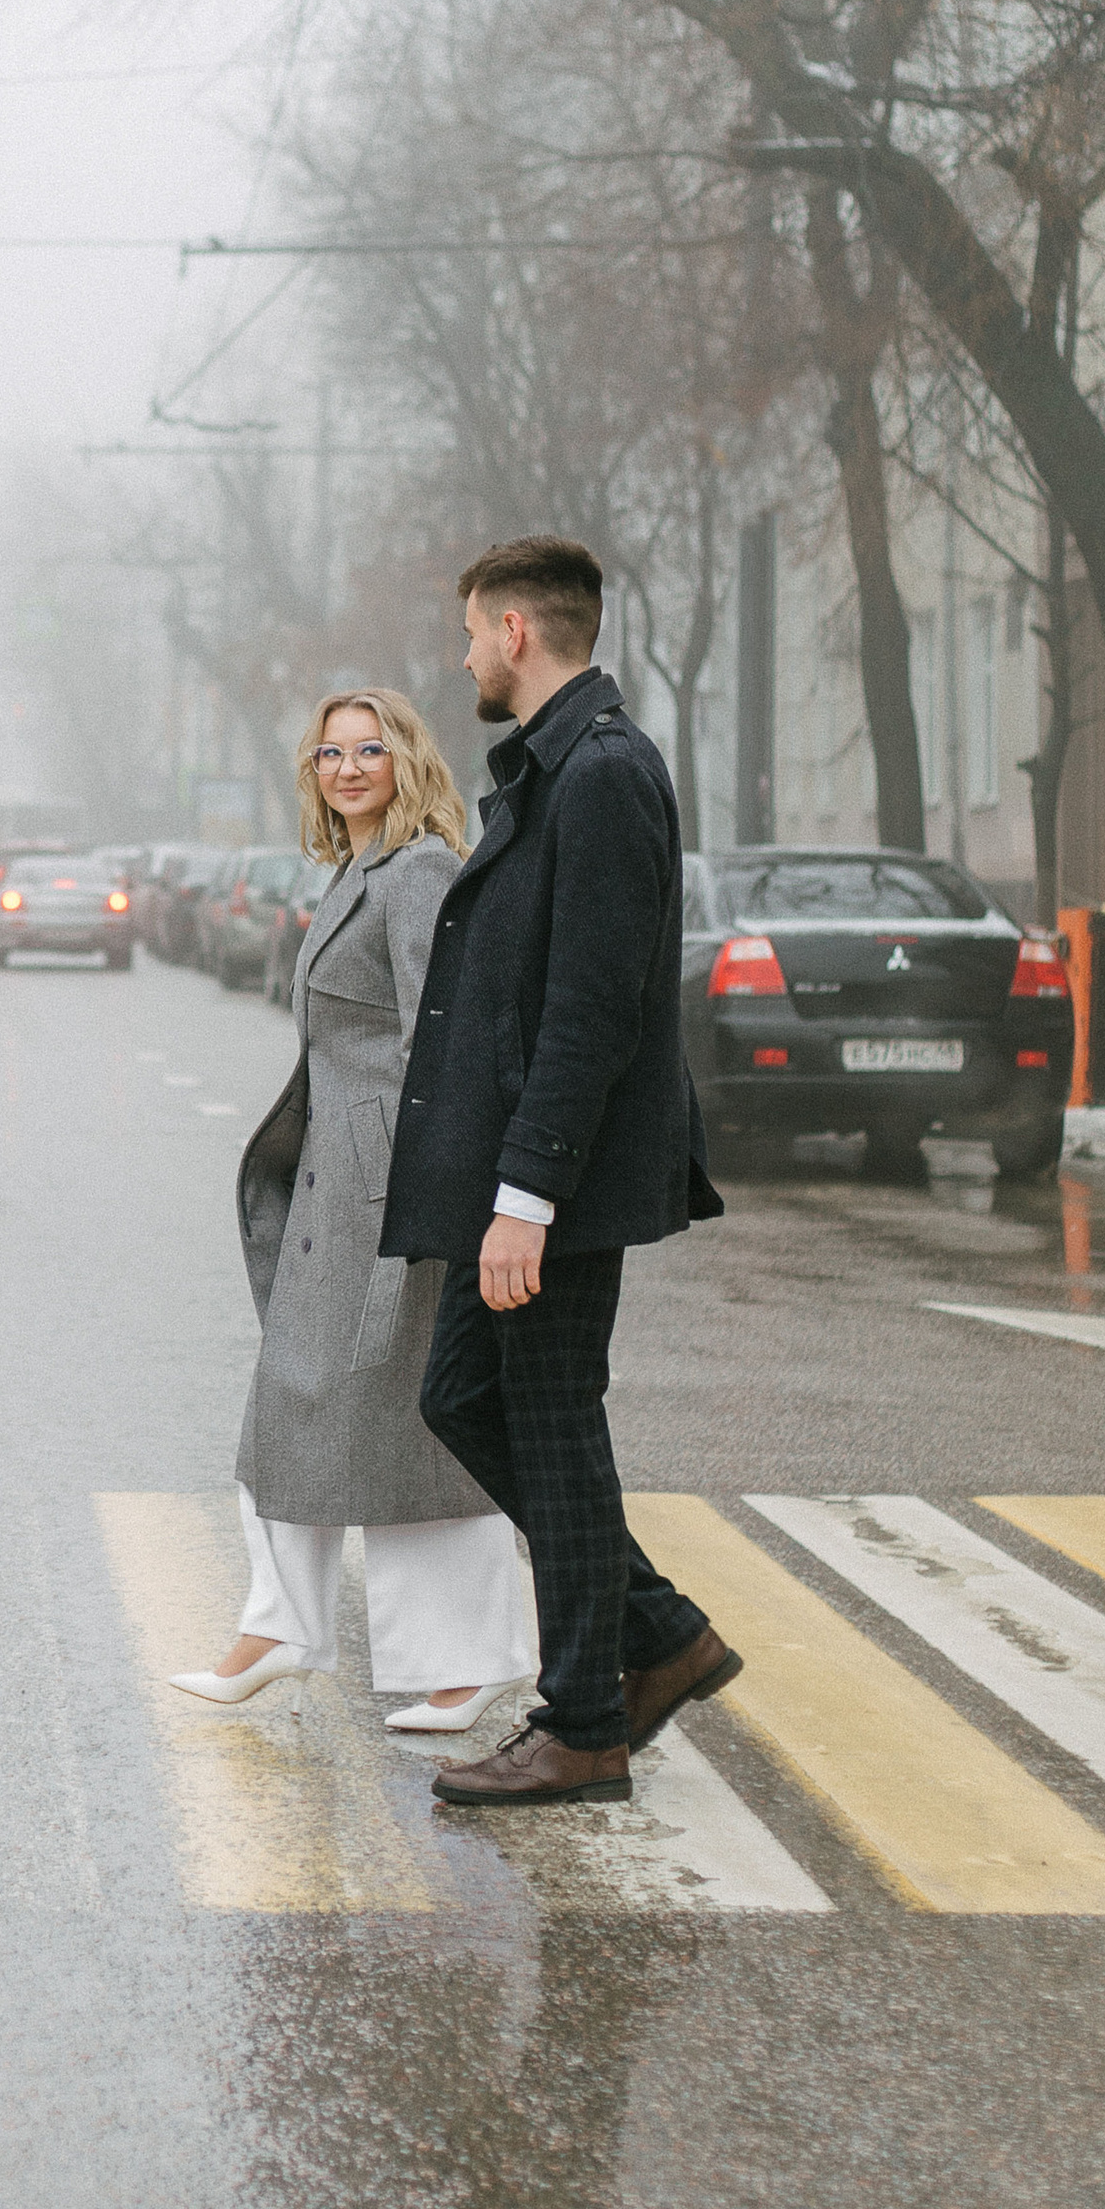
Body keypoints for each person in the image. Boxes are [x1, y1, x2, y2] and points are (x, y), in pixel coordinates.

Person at [380, 535, 740, 1807]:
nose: (465, 652)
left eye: (474, 630)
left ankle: (584, 1722)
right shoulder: (555, 768)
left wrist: (525, 1197)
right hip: (528, 1176)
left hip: (561, 1185)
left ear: (519, 634)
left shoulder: (601, 774)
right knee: (465, 1396)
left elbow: (590, 1010)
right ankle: (654, 1633)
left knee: (550, 1421)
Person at [171, 688, 536, 1733]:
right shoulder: (355, 869)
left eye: (368, 749)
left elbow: (450, 1033)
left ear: (405, 759)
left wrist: (438, 1186)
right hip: (348, 1178)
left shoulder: (416, 870)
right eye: (328, 753)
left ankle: (457, 1660)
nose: (346, 767)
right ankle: (289, 1631)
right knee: (330, 1413)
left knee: (401, 1422)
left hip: (392, 1188)